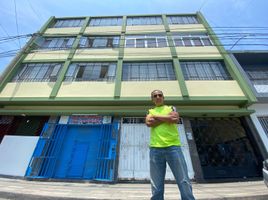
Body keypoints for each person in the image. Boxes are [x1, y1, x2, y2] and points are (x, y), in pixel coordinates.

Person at [145, 89, 195, 200]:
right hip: (155, 149)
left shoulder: (171, 108)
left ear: (163, 97)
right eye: (155, 96)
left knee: (183, 180)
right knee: (156, 183)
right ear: (152, 99)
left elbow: (175, 119)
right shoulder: (150, 111)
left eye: (160, 95)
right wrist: (167, 118)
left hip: (173, 148)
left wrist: (156, 117)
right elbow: (149, 123)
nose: (158, 97)